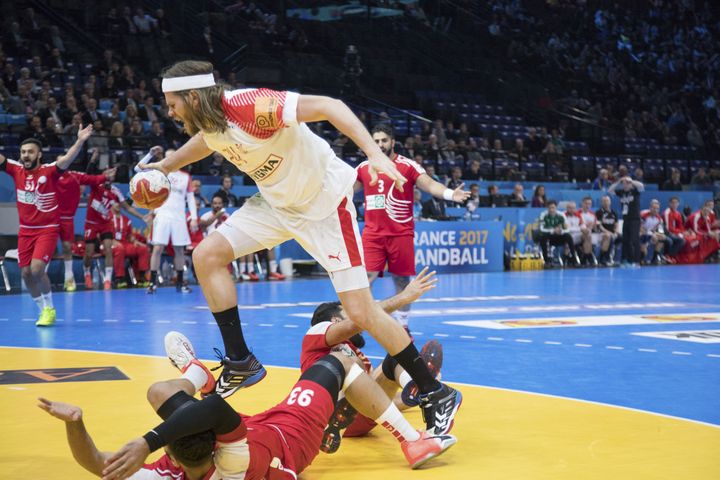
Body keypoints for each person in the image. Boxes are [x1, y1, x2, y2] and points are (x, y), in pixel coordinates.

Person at [140, 60, 460, 434]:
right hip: (278, 207)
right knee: (206, 255)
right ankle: (240, 360)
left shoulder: (251, 106)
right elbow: (207, 141)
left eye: (172, 103)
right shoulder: (212, 123)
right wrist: (164, 165)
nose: (169, 112)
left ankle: (435, 391)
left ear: (193, 97)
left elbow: (330, 107)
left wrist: (374, 153)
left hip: (325, 207)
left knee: (361, 310)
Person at [64, 330, 456, 479]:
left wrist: (75, 422)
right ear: (216, 440)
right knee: (338, 362)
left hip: (251, 430)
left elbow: (101, 466)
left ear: (173, 457)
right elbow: (217, 411)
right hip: (289, 436)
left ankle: (196, 373)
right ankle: (411, 439)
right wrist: (147, 440)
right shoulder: (233, 460)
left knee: (157, 393)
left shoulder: (172, 470)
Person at [304, 267, 443, 450]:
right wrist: (403, 297)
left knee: (393, 362)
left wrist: (416, 391)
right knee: (384, 363)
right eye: (348, 312)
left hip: (361, 417)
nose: (355, 316)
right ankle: (422, 388)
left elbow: (376, 398)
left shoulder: (354, 351)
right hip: (334, 407)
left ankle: (421, 389)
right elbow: (367, 316)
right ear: (336, 320)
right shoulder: (317, 332)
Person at [354, 124, 469, 329]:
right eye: (376, 141)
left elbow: (430, 184)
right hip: (373, 234)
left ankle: (403, 325)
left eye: (384, 140)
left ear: (392, 142)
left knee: (402, 281)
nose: (380, 145)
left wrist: (451, 194)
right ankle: (365, 323)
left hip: (400, 234)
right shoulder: (363, 167)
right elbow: (344, 190)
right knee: (365, 280)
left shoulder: (408, 166)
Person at [1, 129, 92, 326]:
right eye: (23, 152)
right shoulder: (16, 170)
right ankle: (43, 310)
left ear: (39, 154)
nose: (26, 155)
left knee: (36, 269)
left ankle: (50, 308)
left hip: (47, 229)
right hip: (25, 230)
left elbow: (67, 159)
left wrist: (80, 141)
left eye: (30, 152)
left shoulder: (49, 171)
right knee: (25, 273)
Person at [82, 167, 147, 290]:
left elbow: (127, 208)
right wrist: (93, 161)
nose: (109, 175)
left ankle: (107, 280)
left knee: (109, 249)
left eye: (111, 174)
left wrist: (142, 216)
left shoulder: (115, 191)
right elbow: (88, 174)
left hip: (105, 224)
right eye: (107, 173)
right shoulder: (96, 184)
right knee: (89, 253)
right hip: (91, 223)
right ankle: (86, 272)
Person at [56, 149, 109, 292]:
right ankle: (39, 278)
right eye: (60, 161)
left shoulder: (75, 176)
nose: (63, 163)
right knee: (47, 248)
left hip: (67, 219)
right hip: (50, 218)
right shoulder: (49, 176)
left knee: (67, 247)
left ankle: (69, 279)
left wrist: (104, 177)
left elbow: (92, 179)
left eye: (65, 160)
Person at [147, 148, 198, 294]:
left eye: (172, 157)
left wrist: (194, 218)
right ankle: (152, 283)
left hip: (179, 218)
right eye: (167, 157)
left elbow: (190, 198)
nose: (170, 159)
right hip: (162, 215)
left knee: (179, 250)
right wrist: (152, 211)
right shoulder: (159, 173)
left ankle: (180, 283)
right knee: (157, 248)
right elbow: (152, 194)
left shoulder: (185, 177)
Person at [110, 202, 151, 288]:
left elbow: (130, 235)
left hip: (125, 244)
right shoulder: (106, 218)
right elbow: (101, 234)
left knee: (142, 249)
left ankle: (141, 277)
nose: (118, 205)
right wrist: (111, 241)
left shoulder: (126, 219)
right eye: (115, 203)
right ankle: (119, 279)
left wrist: (135, 241)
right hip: (109, 244)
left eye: (119, 203)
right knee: (119, 249)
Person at [609, 176, 644, 266]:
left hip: (635, 219)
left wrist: (631, 181)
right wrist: (618, 182)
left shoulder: (635, 191)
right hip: (626, 219)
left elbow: (641, 186)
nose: (626, 184)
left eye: (627, 183)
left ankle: (636, 261)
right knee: (626, 240)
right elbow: (610, 190)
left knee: (634, 239)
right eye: (624, 183)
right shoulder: (621, 192)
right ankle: (625, 260)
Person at [537, 200, 575, 266]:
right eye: (550, 208)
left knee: (568, 236)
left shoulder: (561, 215)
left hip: (559, 236)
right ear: (547, 208)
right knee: (543, 236)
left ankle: (573, 259)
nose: (551, 210)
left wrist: (561, 231)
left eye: (553, 208)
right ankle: (546, 260)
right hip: (549, 237)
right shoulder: (543, 215)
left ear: (556, 207)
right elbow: (541, 229)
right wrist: (553, 230)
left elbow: (567, 228)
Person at [595, 195, 621, 265]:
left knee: (622, 238)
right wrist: (610, 233)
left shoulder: (614, 213)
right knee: (609, 237)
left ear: (610, 202)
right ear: (601, 203)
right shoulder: (599, 212)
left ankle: (618, 258)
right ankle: (604, 258)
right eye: (604, 201)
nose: (606, 203)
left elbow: (616, 224)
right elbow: (599, 226)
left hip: (612, 233)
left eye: (607, 201)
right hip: (602, 233)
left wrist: (616, 232)